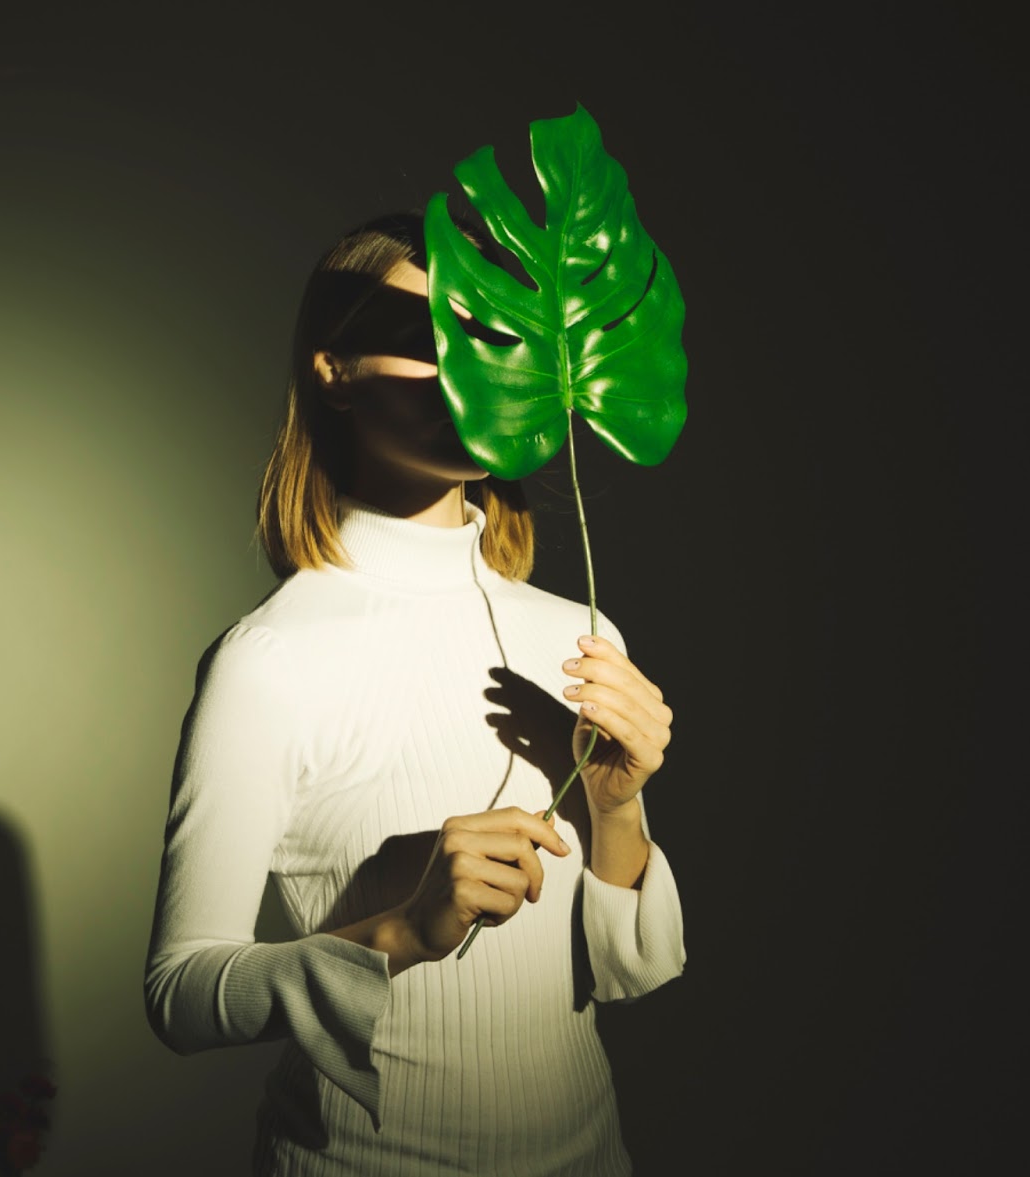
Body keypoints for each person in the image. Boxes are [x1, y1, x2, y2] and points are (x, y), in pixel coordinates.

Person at [144, 211, 685, 1176]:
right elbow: (181, 994)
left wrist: (617, 804)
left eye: (494, 338)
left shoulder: (578, 634)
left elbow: (620, 972)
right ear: (333, 369)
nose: (471, 371)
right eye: (427, 339)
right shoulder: (270, 658)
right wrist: (395, 929)